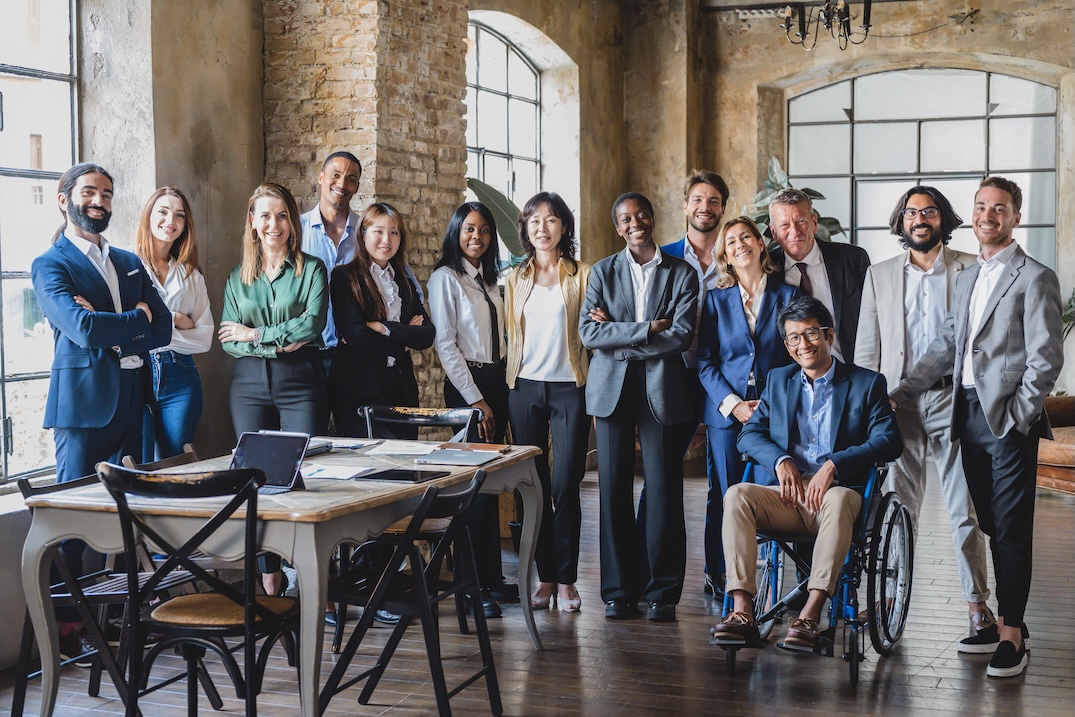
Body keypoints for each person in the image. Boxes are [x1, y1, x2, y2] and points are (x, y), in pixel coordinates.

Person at [890, 176, 1063, 678]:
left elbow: (1046, 359)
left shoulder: (1035, 277)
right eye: (981, 206)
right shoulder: (967, 276)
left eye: (1000, 208)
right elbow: (946, 346)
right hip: (963, 413)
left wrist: (1018, 416)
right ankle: (1008, 618)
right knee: (988, 517)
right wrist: (898, 393)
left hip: (1007, 419)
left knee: (1010, 526)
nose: (988, 215)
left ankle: (1011, 632)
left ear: (1015, 217)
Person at [31, 162, 171, 659]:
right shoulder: (52, 264)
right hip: (84, 407)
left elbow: (165, 330)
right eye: (89, 192)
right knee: (72, 521)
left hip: (135, 402)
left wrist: (115, 323)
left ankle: (121, 623)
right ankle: (63, 631)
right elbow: (83, 330)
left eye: (107, 194)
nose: (99, 201)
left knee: (129, 516)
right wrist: (135, 317)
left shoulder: (130, 261)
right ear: (64, 198)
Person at [711, 297, 901, 649]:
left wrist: (835, 463)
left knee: (842, 497)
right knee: (736, 493)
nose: (804, 345)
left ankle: (811, 614)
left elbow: (890, 440)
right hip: (787, 497)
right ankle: (741, 611)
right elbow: (750, 435)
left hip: (836, 498)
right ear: (786, 345)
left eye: (811, 334)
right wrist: (781, 460)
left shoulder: (866, 383)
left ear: (828, 335)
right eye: (794, 338)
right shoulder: (779, 380)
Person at [855, 185, 991, 648]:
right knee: (897, 507)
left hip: (953, 401)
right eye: (911, 212)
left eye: (928, 211)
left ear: (942, 219)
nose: (919, 219)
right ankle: (890, 599)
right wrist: (868, 407)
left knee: (964, 509)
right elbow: (866, 350)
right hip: (897, 406)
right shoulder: (880, 275)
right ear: (901, 221)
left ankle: (977, 607)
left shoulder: (972, 268)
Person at [579, 192, 698, 623]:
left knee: (664, 489)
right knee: (612, 489)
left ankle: (662, 593)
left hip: (662, 390)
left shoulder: (681, 272)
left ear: (652, 218)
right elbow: (589, 335)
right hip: (612, 389)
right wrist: (647, 329)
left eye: (641, 215)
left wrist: (619, 333)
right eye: (626, 218)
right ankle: (618, 592)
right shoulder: (602, 271)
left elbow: (681, 334)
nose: (635, 223)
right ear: (617, 226)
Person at [219, 182, 329, 596]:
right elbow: (228, 341)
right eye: (264, 215)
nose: (273, 224)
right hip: (247, 384)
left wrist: (255, 334)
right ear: (252, 222)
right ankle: (269, 575)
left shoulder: (312, 270)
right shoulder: (237, 277)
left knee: (302, 476)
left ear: (292, 221)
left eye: (281, 215)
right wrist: (268, 338)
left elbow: (311, 326)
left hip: (299, 380)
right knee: (255, 480)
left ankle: (311, 576)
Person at [697, 216, 799, 598]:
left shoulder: (789, 296)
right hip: (727, 415)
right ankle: (722, 576)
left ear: (760, 244)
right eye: (731, 242)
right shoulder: (716, 300)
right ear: (725, 255)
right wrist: (734, 404)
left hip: (774, 413)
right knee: (724, 494)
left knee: (766, 494)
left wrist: (769, 405)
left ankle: (768, 580)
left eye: (746, 237)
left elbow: (797, 356)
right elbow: (705, 361)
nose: (739, 245)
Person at [505, 192, 591, 613]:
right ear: (525, 228)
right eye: (534, 221)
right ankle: (545, 578)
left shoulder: (583, 275)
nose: (543, 228)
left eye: (552, 220)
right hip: (523, 388)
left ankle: (568, 579)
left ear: (564, 228)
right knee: (532, 486)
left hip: (569, 386)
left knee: (565, 483)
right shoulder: (514, 278)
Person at [427, 201, 514, 618]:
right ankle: (469, 586)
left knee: (490, 484)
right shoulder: (447, 278)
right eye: (468, 230)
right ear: (456, 233)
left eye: (483, 230)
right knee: (472, 490)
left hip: (498, 382)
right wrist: (475, 400)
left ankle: (492, 579)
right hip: (469, 387)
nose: (476, 237)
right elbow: (446, 344)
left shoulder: (493, 281)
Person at [300, 151, 423, 399]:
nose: (342, 184)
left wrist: (394, 331)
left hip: (359, 359)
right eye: (336, 175)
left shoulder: (369, 233)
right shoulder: (296, 230)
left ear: (357, 187)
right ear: (321, 177)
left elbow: (409, 290)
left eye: (351, 179)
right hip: (309, 354)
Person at [329, 203, 433, 438]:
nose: (387, 239)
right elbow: (355, 335)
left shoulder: (403, 280)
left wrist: (383, 328)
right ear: (363, 234)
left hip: (401, 387)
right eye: (378, 231)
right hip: (358, 389)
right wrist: (404, 339)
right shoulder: (344, 277)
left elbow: (427, 334)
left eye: (394, 232)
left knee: (406, 462)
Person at [135, 187, 214, 461]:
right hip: (137, 373)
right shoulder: (128, 266)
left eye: (179, 215)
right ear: (148, 216)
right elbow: (127, 332)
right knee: (140, 461)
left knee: (174, 463)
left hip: (181, 376)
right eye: (163, 212)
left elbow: (204, 339)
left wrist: (155, 324)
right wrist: (178, 321)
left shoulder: (192, 275)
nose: (171, 221)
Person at [767, 188, 870, 361]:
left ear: (814, 223)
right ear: (774, 232)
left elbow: (873, 321)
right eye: (784, 225)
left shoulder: (853, 260)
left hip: (849, 371)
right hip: (792, 379)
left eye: (801, 221)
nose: (794, 231)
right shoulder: (767, 268)